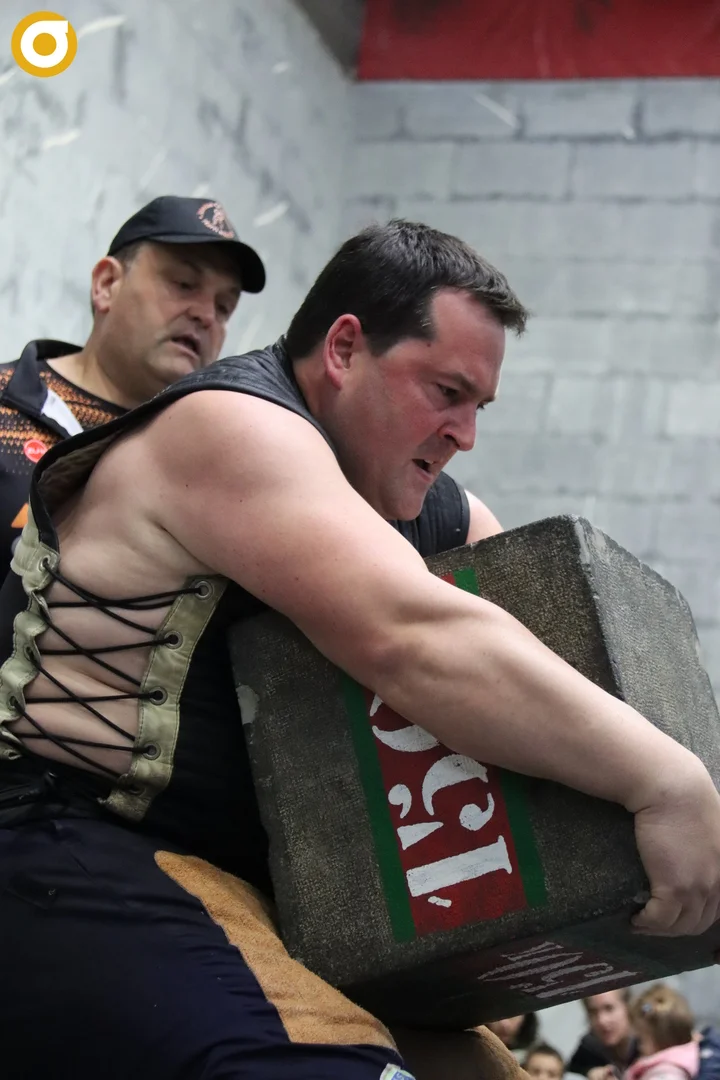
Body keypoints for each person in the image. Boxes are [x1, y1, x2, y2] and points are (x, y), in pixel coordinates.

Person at [1, 219, 720, 1080]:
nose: (464, 433)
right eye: (446, 392)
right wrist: (668, 784)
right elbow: (419, 637)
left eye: (479, 407)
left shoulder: (425, 503)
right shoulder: (228, 426)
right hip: (63, 852)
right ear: (344, 349)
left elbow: (537, 648)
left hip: (255, 903)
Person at [0, 194, 266, 581]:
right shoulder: (6, 409)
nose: (206, 315)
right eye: (184, 284)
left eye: (224, 307)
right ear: (107, 284)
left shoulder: (203, 466)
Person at [624, 984, 699, 1080]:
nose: (639, 1046)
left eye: (642, 1038)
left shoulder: (667, 1074)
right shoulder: (666, 1068)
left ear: (662, 1038)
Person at [569, 991, 640, 1077]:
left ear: (627, 1006)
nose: (602, 1021)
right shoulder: (588, 1048)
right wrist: (589, 1072)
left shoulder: (649, 1042)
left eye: (609, 1008)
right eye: (593, 1012)